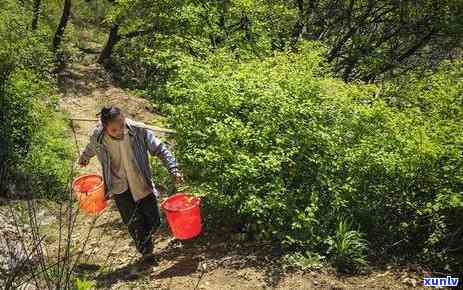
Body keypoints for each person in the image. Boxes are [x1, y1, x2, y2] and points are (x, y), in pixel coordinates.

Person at [78, 106, 184, 264]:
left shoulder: (139, 131)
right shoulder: (98, 137)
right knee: (134, 222)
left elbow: (160, 148)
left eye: (122, 125)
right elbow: (91, 147)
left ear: (124, 118)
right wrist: (85, 157)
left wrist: (173, 168)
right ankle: (147, 252)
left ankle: (148, 237)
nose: (120, 131)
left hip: (141, 183)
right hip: (118, 186)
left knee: (154, 221)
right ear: (105, 128)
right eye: (114, 129)